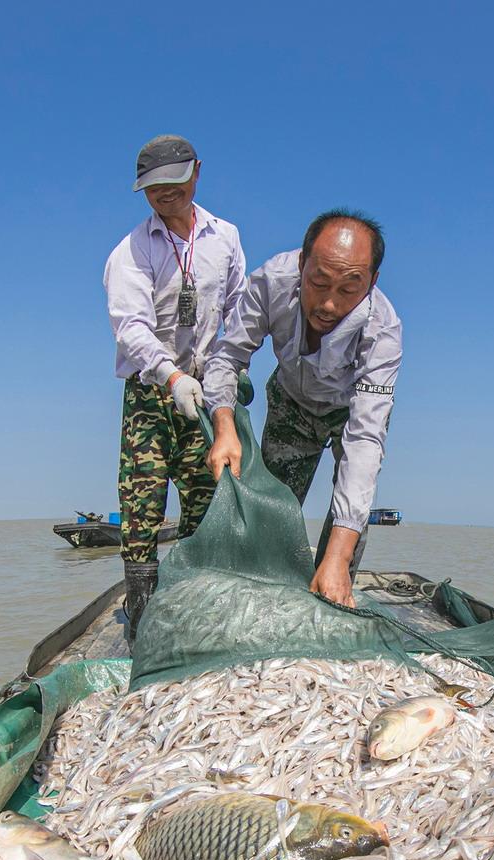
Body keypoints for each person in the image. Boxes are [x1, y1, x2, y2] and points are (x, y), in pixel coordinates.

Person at [202, 210, 402, 608]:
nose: (329, 304)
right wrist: (223, 426)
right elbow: (227, 357)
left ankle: (333, 589)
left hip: (350, 413)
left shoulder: (383, 330)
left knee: (343, 545)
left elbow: (365, 440)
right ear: (301, 264)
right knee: (269, 517)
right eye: (319, 282)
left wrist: (337, 558)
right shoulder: (270, 282)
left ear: (372, 282)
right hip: (291, 401)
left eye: (349, 289)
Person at [103, 135, 246, 644]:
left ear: (197, 172)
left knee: (205, 497)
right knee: (142, 502)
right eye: (153, 187)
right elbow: (131, 327)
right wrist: (171, 375)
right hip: (151, 393)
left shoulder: (225, 237)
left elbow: (238, 309)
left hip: (205, 394)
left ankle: (195, 608)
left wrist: (233, 368)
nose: (165, 193)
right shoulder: (131, 251)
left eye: (174, 181)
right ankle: (143, 616)